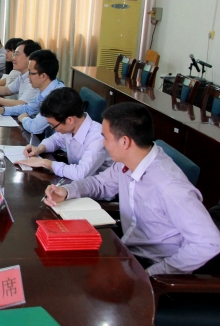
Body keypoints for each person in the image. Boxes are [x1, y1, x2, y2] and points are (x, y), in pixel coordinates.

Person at [43, 102, 220, 275]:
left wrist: (153, 273)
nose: (103, 143)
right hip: (127, 247)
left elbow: (209, 243)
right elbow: (100, 183)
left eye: (105, 137)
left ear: (125, 142)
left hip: (152, 265)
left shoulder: (170, 186)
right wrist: (67, 191)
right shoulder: (127, 162)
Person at [15, 87, 112, 180]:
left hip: (98, 188)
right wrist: (40, 148)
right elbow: (55, 140)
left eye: (54, 126)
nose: (55, 130)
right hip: (75, 182)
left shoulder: (98, 137)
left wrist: (45, 163)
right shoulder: (71, 127)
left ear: (70, 120)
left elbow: (80, 173)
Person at [0, 49, 64, 134]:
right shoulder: (45, 90)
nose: (28, 77)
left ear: (43, 76)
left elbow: (34, 127)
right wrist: (3, 110)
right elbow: (28, 108)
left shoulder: (57, 98)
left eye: (31, 73)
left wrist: (23, 118)